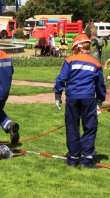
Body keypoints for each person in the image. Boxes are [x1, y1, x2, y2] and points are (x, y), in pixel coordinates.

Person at [53, 34, 106, 169]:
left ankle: (73, 158)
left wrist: (58, 94)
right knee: (89, 127)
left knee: (72, 126)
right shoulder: (96, 63)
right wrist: (100, 99)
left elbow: (61, 78)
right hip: (88, 98)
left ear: (76, 48)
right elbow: (100, 84)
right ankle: (87, 159)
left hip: (72, 98)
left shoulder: (70, 60)